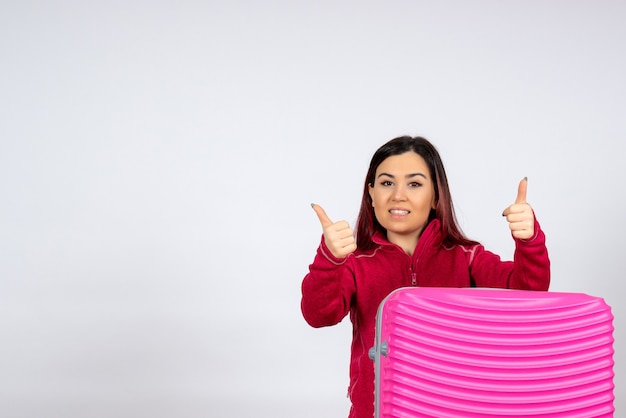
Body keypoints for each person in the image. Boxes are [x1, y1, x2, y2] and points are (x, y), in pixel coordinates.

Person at [300, 135, 550, 418]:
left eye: (415, 184)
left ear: (435, 196)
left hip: (453, 409)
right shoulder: (355, 264)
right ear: (371, 194)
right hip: (376, 411)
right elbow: (318, 314)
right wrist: (330, 257)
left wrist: (529, 241)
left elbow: (528, 294)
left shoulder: (466, 256)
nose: (398, 195)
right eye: (386, 183)